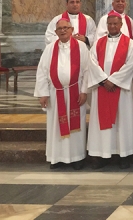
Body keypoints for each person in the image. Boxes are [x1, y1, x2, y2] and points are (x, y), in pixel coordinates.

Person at [35, 19, 93, 169]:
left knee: (76, 127)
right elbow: (41, 71)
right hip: (55, 94)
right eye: (60, 29)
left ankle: (77, 158)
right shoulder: (49, 49)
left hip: (75, 92)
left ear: (72, 29)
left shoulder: (81, 47)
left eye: (66, 28)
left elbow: (87, 70)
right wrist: (43, 93)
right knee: (56, 126)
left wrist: (84, 91)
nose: (63, 31)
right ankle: (57, 158)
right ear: (55, 32)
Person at [86, 12, 133, 169]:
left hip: (121, 91)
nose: (113, 26)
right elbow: (92, 62)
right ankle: (103, 156)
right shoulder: (98, 43)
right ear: (106, 25)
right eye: (110, 24)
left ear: (121, 25)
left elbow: (130, 65)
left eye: (116, 24)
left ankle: (124, 155)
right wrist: (103, 80)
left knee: (122, 122)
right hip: (102, 88)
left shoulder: (130, 44)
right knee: (102, 122)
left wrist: (114, 81)